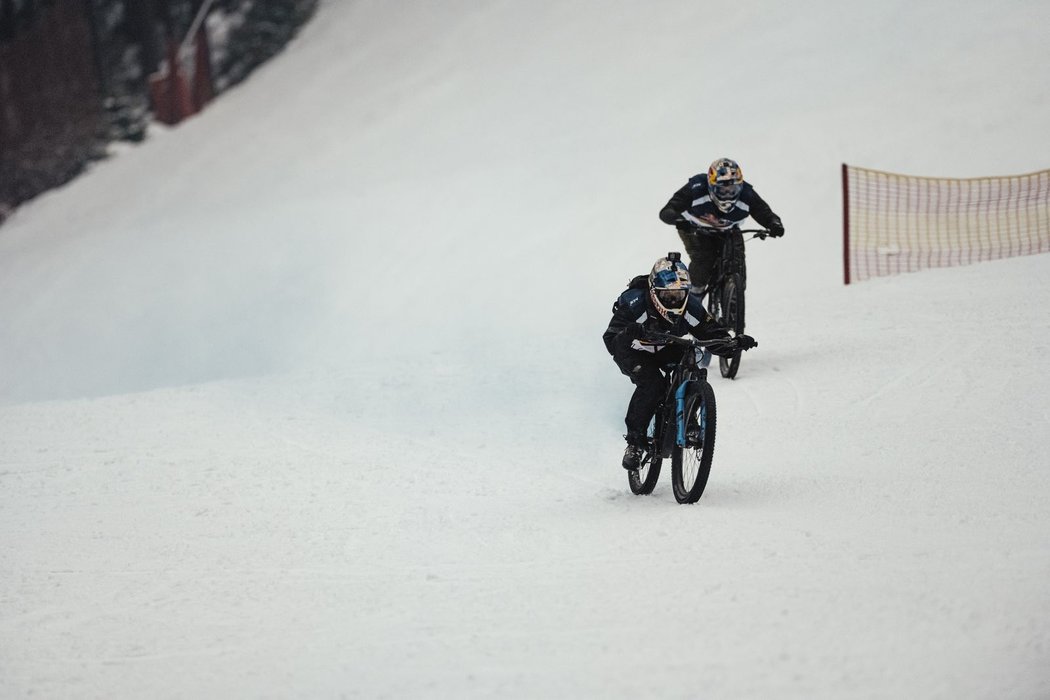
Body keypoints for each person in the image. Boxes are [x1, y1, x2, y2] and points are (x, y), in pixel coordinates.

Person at [603, 253, 757, 470]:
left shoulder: (691, 308)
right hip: (633, 350)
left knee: (691, 357)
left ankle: (689, 418)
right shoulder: (635, 304)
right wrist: (629, 333)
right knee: (652, 385)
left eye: (679, 295)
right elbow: (611, 339)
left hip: (666, 345)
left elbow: (709, 332)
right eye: (668, 296)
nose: (674, 302)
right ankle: (634, 444)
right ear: (654, 293)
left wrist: (732, 344)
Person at [658, 157, 784, 298]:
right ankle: (694, 296)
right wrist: (679, 221)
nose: (728, 195)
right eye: (722, 191)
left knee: (737, 262)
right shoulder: (695, 188)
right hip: (694, 228)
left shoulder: (747, 194)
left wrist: (774, 224)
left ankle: (735, 294)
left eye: (733, 190)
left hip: (729, 230)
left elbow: (764, 212)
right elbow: (667, 211)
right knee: (704, 259)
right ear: (710, 186)